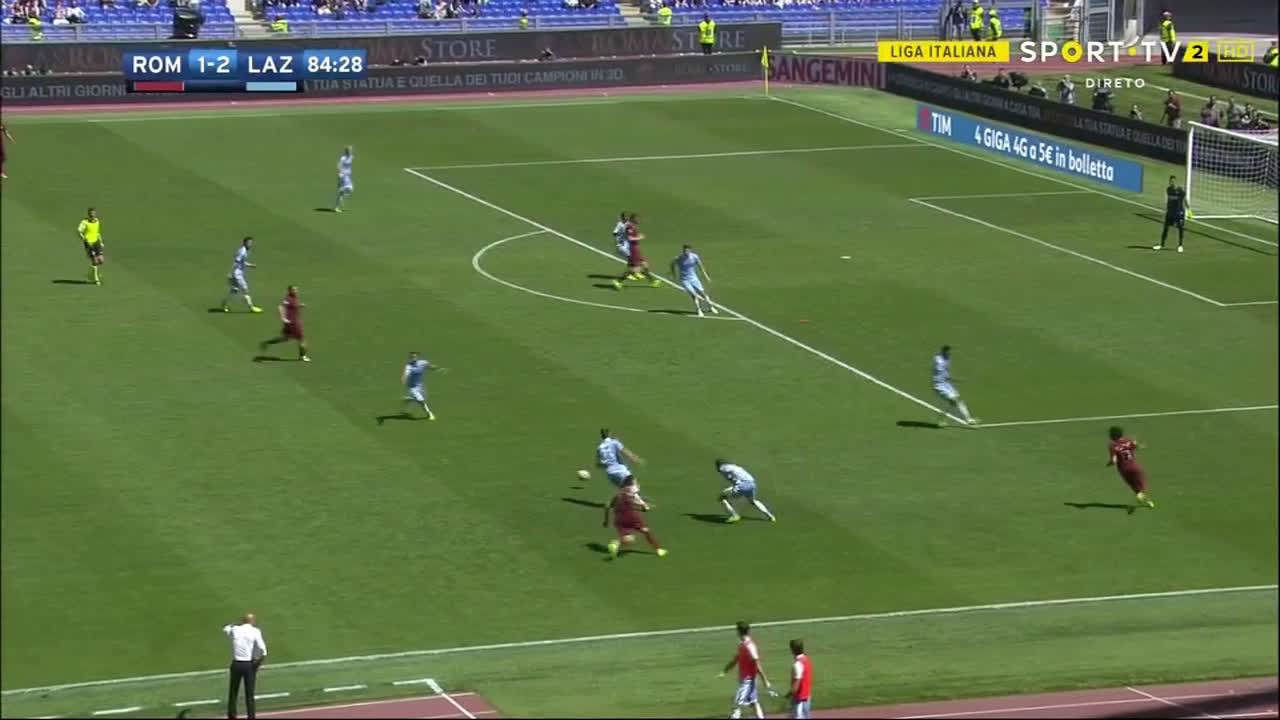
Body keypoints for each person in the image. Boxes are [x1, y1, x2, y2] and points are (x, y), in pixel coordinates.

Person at [720, 621, 775, 719]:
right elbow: (736, 659)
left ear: (739, 632)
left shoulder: (749, 646)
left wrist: (765, 680)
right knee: (754, 702)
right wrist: (725, 670)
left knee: (737, 704)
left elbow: (757, 664)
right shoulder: (742, 644)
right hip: (747, 680)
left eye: (737, 630)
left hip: (748, 682)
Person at [604, 477, 666, 558]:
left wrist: (606, 520)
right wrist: (644, 506)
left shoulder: (618, 495)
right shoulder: (630, 492)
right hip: (631, 517)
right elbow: (637, 502)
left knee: (629, 538)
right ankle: (658, 550)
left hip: (619, 520)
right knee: (646, 531)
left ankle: (616, 544)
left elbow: (607, 506)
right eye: (635, 482)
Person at [223, 613, 267, 720]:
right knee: (249, 694)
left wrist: (236, 624)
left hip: (236, 664)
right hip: (249, 665)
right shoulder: (255, 631)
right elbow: (263, 651)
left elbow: (226, 628)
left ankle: (232, 715)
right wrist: (258, 664)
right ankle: (251, 716)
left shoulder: (235, 629)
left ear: (243, 621)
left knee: (233, 691)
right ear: (252, 621)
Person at [1107, 426, 1155, 508]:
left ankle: (1147, 501)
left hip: (1123, 470)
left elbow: (1114, 460)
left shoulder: (1113, 446)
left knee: (1133, 485)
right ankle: (1143, 497)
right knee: (1142, 485)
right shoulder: (1129, 441)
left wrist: (1109, 463)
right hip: (1134, 466)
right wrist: (1141, 445)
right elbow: (1138, 446)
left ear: (1113, 436)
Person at [715, 459, 776, 523]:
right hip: (752, 484)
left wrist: (720, 469)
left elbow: (723, 471)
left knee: (722, 498)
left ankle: (735, 515)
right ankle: (771, 516)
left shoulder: (723, 467)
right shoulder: (736, 467)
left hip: (742, 485)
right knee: (753, 501)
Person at [259, 285, 310, 362]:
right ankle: (303, 356)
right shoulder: (288, 299)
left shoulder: (294, 297)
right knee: (302, 339)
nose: (296, 291)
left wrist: (299, 305)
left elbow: (292, 306)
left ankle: (267, 342)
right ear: (290, 291)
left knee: (284, 338)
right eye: (294, 290)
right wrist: (283, 318)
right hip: (293, 323)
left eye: (296, 289)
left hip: (291, 322)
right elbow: (280, 307)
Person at [932, 345, 977, 426]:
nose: (949, 353)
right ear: (944, 352)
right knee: (955, 400)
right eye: (948, 352)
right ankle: (968, 420)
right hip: (939, 385)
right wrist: (953, 379)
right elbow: (941, 371)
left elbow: (946, 373)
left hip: (946, 384)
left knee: (956, 401)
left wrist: (952, 379)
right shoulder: (939, 361)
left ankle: (941, 420)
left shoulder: (947, 358)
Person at [612, 213, 660, 289]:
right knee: (634, 269)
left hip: (637, 248)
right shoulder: (629, 227)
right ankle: (618, 281)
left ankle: (653, 282)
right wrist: (639, 237)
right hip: (633, 249)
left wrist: (637, 236)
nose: (639, 220)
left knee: (645, 265)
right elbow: (630, 238)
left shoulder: (633, 226)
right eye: (637, 219)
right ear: (633, 219)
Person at [670, 244, 717, 317]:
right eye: (685, 250)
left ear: (690, 250)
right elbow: (672, 265)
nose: (686, 252)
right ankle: (699, 310)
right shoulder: (679, 258)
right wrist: (674, 275)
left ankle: (711, 307)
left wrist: (706, 276)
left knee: (703, 293)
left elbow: (701, 267)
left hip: (694, 278)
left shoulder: (695, 257)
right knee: (694, 295)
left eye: (687, 250)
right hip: (685, 280)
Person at [221, 237, 262, 313]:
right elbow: (236, 262)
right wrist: (231, 272)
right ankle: (251, 307)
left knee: (234, 290)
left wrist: (250, 265)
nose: (250, 244)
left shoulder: (243, 250)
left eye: (251, 243)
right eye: (249, 243)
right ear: (244, 243)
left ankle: (224, 304)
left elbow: (241, 262)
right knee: (245, 290)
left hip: (237, 273)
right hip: (237, 274)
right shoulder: (242, 252)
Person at [400, 351, 440, 420]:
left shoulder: (423, 362)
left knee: (423, 399)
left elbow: (429, 366)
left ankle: (410, 399)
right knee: (421, 401)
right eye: (411, 357)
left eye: (414, 357)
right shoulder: (408, 366)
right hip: (412, 387)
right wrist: (404, 378)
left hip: (421, 386)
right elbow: (406, 373)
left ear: (417, 357)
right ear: (410, 358)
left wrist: (434, 368)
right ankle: (429, 414)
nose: (413, 358)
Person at [1153, 175, 1187, 253]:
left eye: (1173, 181)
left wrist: (1188, 210)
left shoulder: (1180, 190)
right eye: (1171, 181)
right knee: (1165, 228)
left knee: (1180, 228)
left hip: (1179, 212)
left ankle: (1180, 245)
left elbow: (1185, 200)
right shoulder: (1168, 189)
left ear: (1176, 181)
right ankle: (1161, 245)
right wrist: (1166, 210)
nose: (1172, 183)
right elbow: (1168, 201)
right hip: (1170, 212)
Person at [77, 207, 105, 285]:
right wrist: (84, 239)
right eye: (91, 215)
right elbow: (79, 231)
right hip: (89, 243)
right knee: (95, 261)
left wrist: (101, 241)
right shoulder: (84, 222)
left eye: (94, 214)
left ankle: (91, 273)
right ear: (88, 215)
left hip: (96, 242)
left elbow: (97, 232)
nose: (93, 216)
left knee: (101, 260)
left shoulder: (97, 221)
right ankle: (96, 279)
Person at [787, 639, 812, 720]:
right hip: (806, 698)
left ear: (793, 650)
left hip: (799, 701)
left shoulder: (797, 664)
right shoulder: (807, 660)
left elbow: (796, 686)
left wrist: (789, 694)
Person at [333, 146, 353, 212]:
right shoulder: (343, 158)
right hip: (343, 176)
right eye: (349, 150)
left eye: (351, 150)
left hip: (347, 176)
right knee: (350, 188)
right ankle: (336, 207)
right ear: (347, 151)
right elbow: (338, 165)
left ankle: (336, 207)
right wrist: (341, 171)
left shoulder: (351, 157)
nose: (351, 151)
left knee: (346, 191)